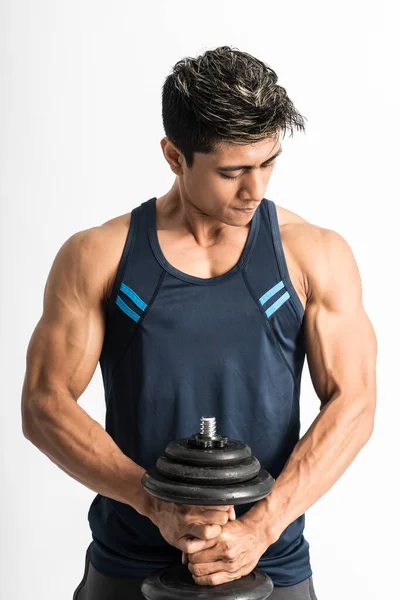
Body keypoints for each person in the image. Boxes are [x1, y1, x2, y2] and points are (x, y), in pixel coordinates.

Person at [21, 45, 377, 600]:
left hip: (269, 563)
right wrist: (152, 502)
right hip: (130, 561)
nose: (255, 189)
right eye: (232, 171)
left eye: (267, 163)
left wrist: (260, 527)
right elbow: (45, 404)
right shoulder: (100, 255)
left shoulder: (313, 254)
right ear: (174, 155)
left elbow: (355, 402)